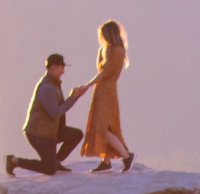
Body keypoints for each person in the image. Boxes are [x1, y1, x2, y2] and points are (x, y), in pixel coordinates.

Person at [8, 53, 91, 176]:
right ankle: (14, 161)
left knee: (76, 135)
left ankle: (55, 161)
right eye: (61, 67)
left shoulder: (53, 84)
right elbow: (55, 113)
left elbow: (58, 109)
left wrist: (75, 97)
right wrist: (72, 97)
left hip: (50, 131)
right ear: (53, 68)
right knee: (50, 169)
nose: (63, 71)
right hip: (38, 134)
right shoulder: (47, 88)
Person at [82, 20, 134, 172]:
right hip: (101, 90)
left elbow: (105, 73)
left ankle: (127, 156)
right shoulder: (107, 50)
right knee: (104, 126)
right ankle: (106, 161)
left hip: (107, 91)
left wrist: (87, 85)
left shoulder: (117, 51)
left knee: (104, 127)